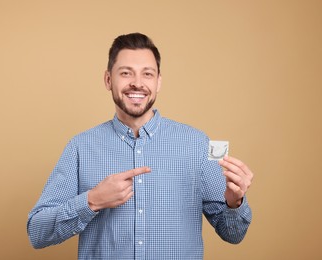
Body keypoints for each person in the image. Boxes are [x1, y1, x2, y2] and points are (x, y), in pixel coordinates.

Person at [27, 32, 253, 259]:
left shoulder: (197, 145)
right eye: (126, 73)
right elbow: (36, 232)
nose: (137, 83)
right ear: (108, 79)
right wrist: (92, 200)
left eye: (147, 74)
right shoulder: (80, 147)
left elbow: (233, 234)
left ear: (158, 82)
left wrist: (235, 202)